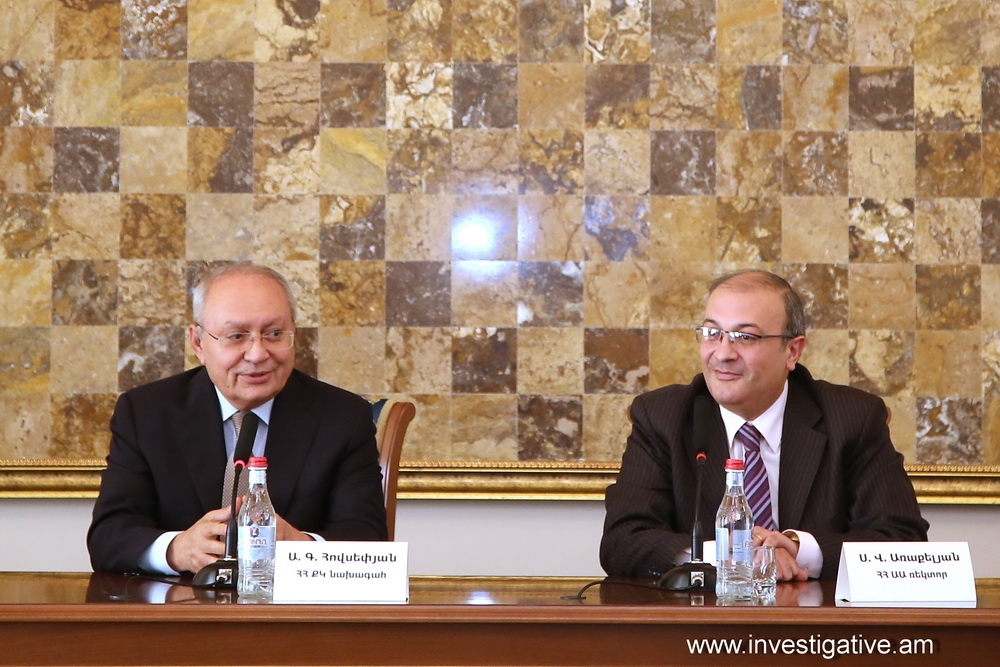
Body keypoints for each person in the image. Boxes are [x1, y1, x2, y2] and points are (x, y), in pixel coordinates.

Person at [600, 269, 928, 581]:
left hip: (816, 619)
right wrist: (732, 555)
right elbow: (622, 542)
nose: (723, 354)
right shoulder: (663, 417)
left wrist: (800, 550)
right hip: (703, 618)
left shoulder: (852, 418)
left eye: (745, 337)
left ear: (792, 351)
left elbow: (904, 542)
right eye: (712, 333)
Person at [88, 262, 388, 575]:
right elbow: (109, 535)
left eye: (274, 334)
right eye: (236, 336)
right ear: (198, 343)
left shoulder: (342, 417)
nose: (257, 354)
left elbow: (367, 538)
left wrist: (301, 548)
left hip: (290, 603)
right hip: (180, 602)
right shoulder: (146, 413)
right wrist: (177, 549)